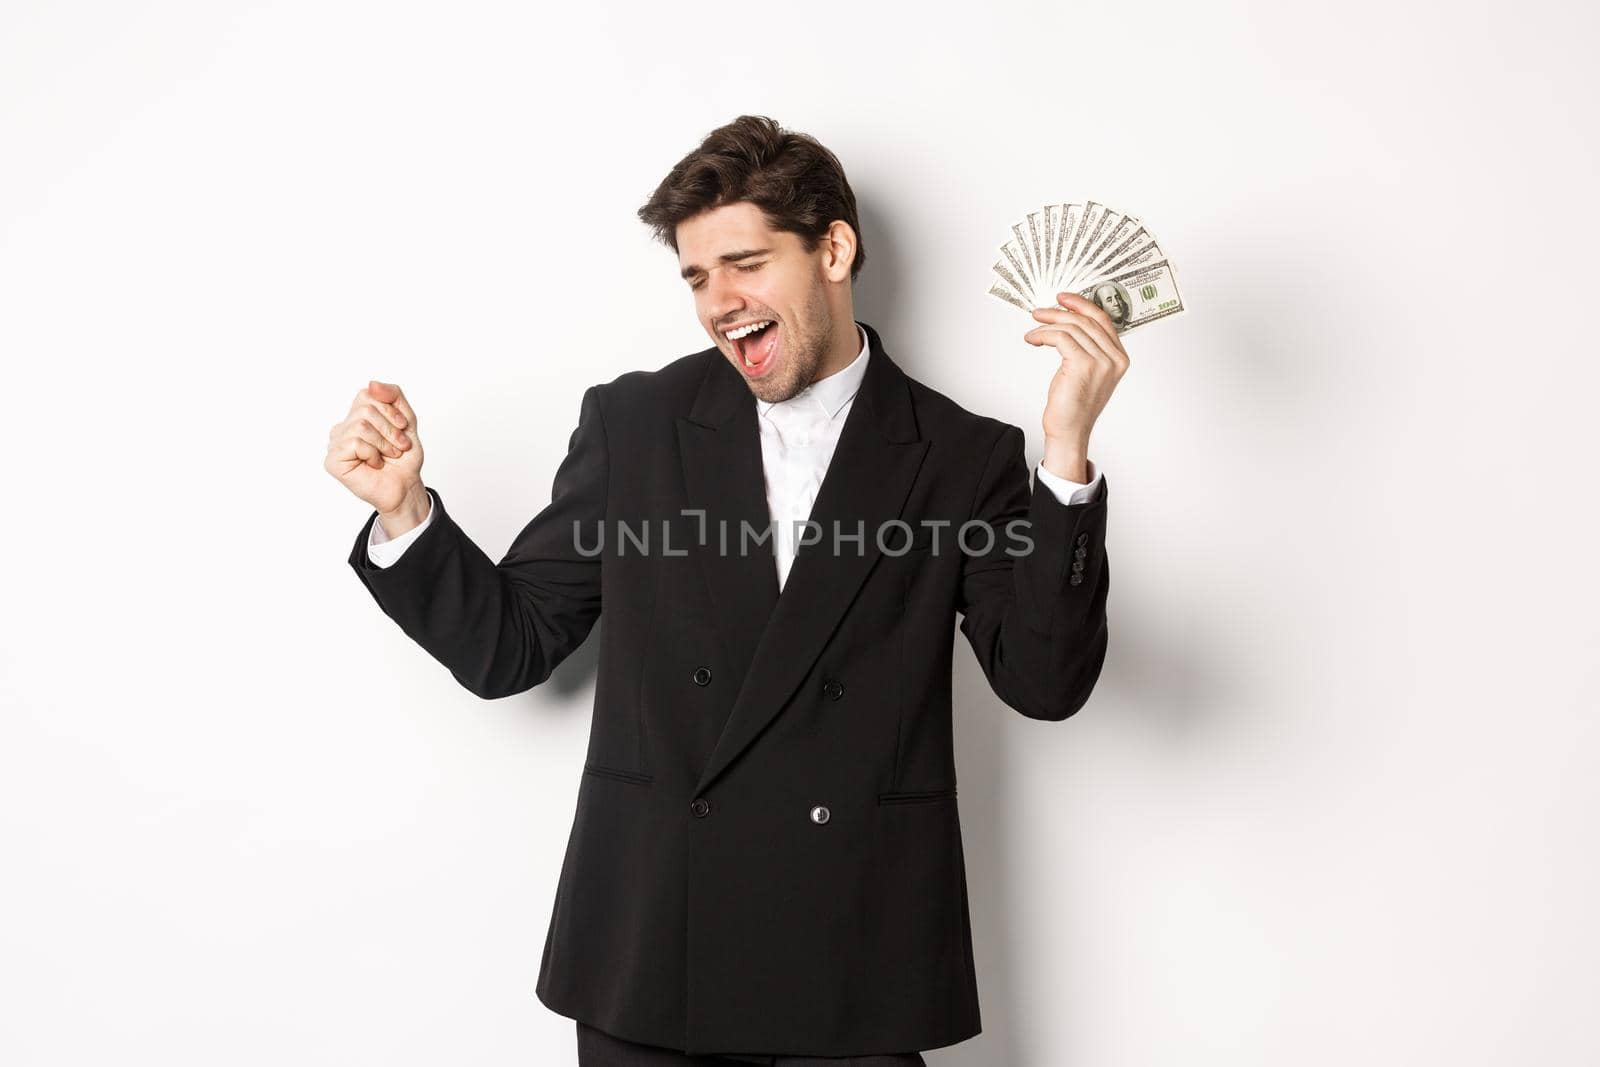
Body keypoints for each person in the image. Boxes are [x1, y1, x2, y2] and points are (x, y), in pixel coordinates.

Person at [325, 115, 1128, 1065]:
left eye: (745, 263)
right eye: (698, 277)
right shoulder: (637, 423)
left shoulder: (961, 454)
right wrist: (406, 512)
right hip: (659, 947)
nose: (720, 302)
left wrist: (1066, 457)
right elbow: (512, 646)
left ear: (834, 248)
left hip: (856, 959)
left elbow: (1044, 680)